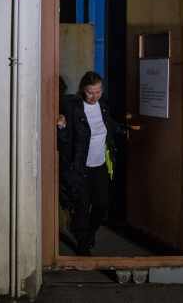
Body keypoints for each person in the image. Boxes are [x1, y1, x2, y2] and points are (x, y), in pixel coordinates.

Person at [60, 71, 121, 256]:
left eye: (98, 91)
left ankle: (89, 234)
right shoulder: (73, 107)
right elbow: (65, 140)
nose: (94, 96)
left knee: (102, 205)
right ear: (82, 90)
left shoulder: (103, 106)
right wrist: (61, 126)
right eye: (90, 92)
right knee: (82, 208)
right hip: (81, 167)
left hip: (100, 165)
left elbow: (108, 128)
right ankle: (83, 245)